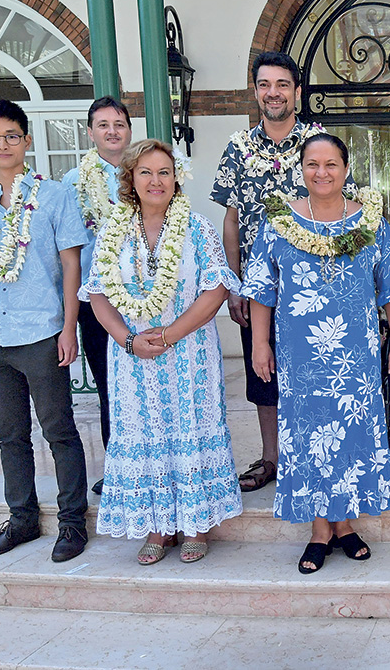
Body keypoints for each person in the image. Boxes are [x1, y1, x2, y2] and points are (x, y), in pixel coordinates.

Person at [240, 134, 390, 573]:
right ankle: (320, 529)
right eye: (313, 164)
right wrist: (260, 343)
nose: (322, 172)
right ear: (301, 168)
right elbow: (262, 288)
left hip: (355, 353)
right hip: (300, 354)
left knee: (349, 436)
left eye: (331, 163)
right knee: (309, 437)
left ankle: (346, 523)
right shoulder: (278, 221)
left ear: (345, 167)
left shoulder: (371, 221)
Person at [81, 139, 242, 565]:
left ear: (176, 178)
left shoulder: (197, 227)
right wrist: (128, 339)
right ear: (131, 178)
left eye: (164, 172)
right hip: (133, 357)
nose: (156, 180)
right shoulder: (113, 230)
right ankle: (157, 526)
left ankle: (195, 525)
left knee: (189, 428)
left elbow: (217, 287)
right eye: (146, 172)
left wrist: (170, 334)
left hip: (189, 353)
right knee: (147, 434)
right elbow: (97, 294)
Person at [0, 99, 90, 562]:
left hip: (41, 332)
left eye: (12, 135)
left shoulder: (53, 196)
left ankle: (71, 524)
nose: (2, 143)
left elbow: (72, 265)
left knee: (59, 431)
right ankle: (22, 520)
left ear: (27, 140)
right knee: (10, 435)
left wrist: (69, 327)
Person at [211, 50, 334, 493]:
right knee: (264, 375)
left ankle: (314, 453)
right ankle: (272, 458)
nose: (273, 93)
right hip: (259, 289)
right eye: (265, 85)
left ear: (297, 92)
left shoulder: (320, 144)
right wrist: (233, 284)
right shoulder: (238, 148)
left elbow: (339, 209)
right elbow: (231, 218)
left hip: (312, 289)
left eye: (282, 84)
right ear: (256, 92)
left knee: (314, 373)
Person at [62, 96, 133, 495]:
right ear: (90, 132)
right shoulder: (73, 182)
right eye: (103, 124)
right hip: (97, 301)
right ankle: (118, 466)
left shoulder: (146, 173)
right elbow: (68, 253)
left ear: (128, 130)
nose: (111, 131)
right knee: (110, 386)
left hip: (144, 296)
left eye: (119, 124)